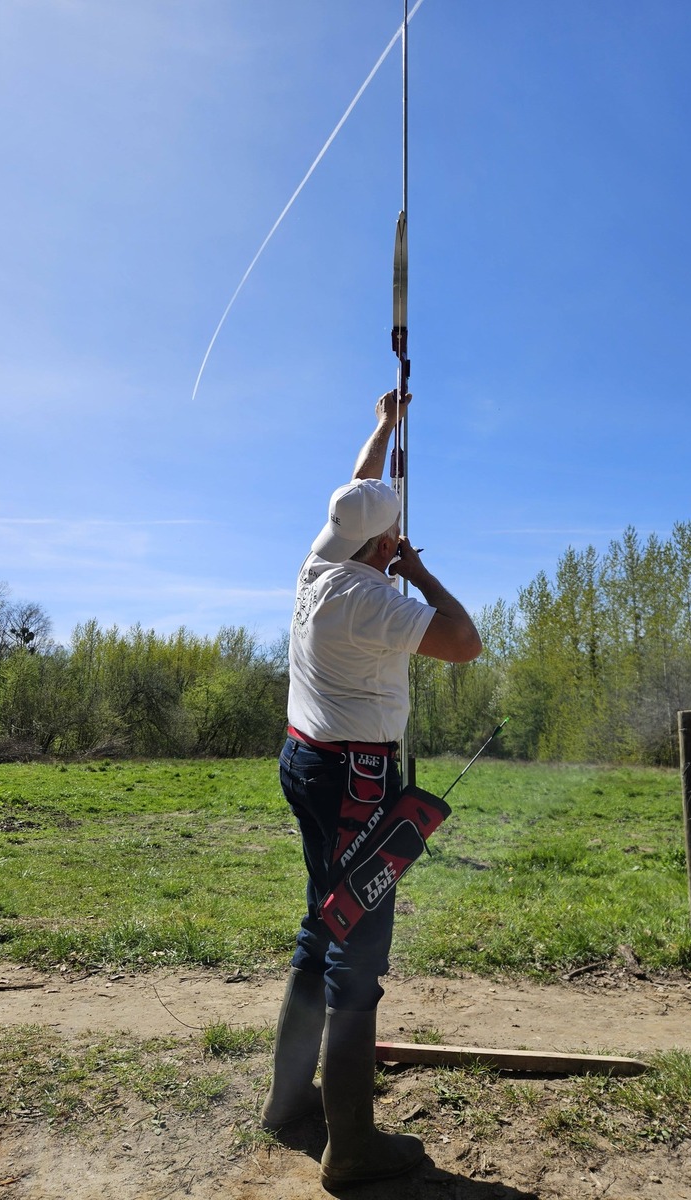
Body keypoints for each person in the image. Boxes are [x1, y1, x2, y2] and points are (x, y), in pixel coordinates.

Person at [261, 388, 482, 1189]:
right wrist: (419, 571)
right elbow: (464, 642)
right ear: (382, 544)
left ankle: (289, 1102)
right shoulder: (368, 599)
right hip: (354, 778)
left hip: (307, 761)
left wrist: (386, 426)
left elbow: (359, 485)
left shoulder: (321, 563)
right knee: (356, 949)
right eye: (391, 537)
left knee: (323, 924)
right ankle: (351, 1149)